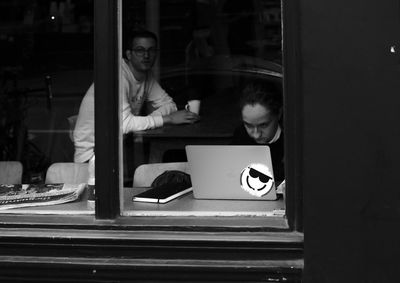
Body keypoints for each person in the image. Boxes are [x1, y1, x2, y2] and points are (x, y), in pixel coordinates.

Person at [73, 29, 200, 163]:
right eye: (140, 50)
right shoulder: (117, 77)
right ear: (129, 54)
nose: (146, 55)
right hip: (92, 156)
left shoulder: (145, 75)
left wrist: (146, 122)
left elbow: (169, 105)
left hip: (118, 149)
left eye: (151, 50)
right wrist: (167, 119)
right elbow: (126, 124)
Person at [231, 80, 285, 185]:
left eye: (263, 125)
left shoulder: (291, 141)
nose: (256, 134)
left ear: (279, 114)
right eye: (248, 125)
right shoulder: (240, 135)